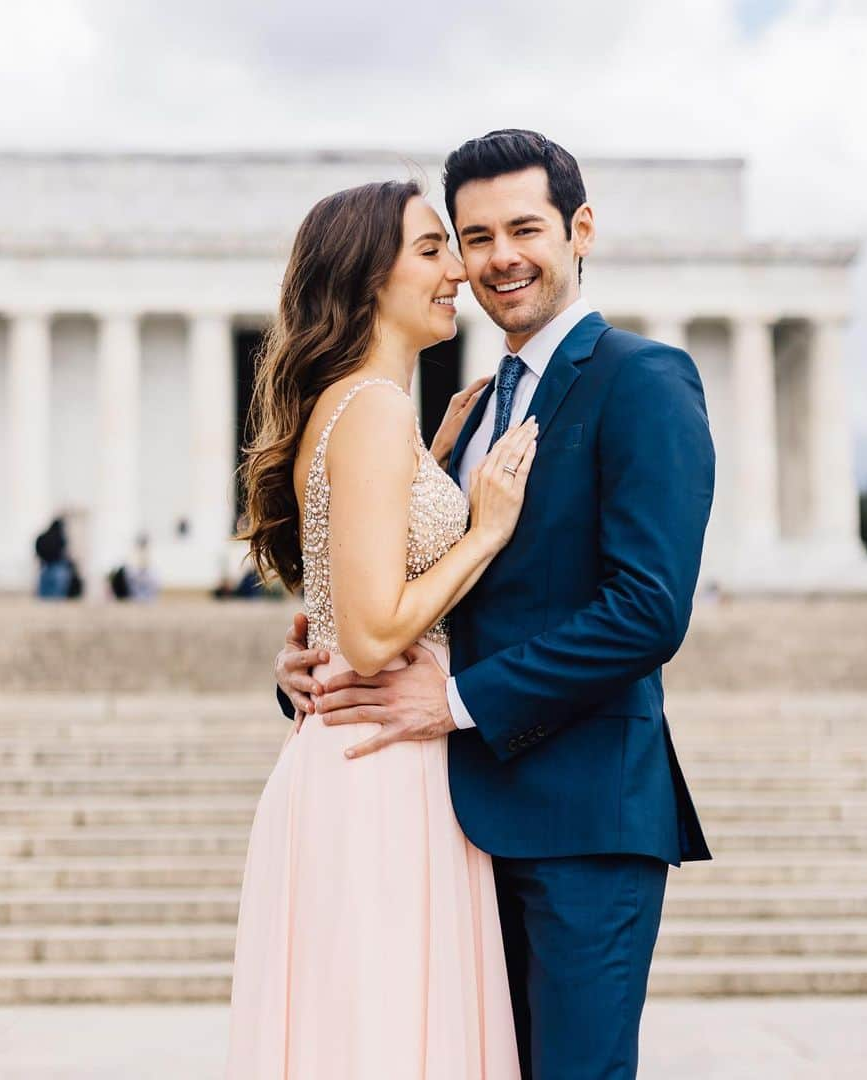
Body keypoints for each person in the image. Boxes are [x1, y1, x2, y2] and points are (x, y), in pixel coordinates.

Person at [274, 130, 716, 1080]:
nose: (498, 257)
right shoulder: (467, 412)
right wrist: (317, 665)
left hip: (579, 818)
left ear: (580, 229)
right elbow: (401, 597)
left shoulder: (642, 379)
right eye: (471, 238)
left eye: (525, 228)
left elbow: (647, 609)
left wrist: (458, 701)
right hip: (447, 821)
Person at [224, 179, 536, 1078]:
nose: (459, 273)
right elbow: (367, 638)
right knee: (389, 1037)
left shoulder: (364, 408)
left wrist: (431, 468)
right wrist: (483, 530)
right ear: (370, 278)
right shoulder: (373, 407)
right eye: (433, 249)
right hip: (380, 765)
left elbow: (360, 564)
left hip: (360, 756)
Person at [35, 517, 72, 599]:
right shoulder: (61, 538)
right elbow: (65, 553)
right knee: (57, 594)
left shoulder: (42, 537)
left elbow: (37, 551)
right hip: (58, 567)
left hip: (45, 566)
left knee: (44, 594)